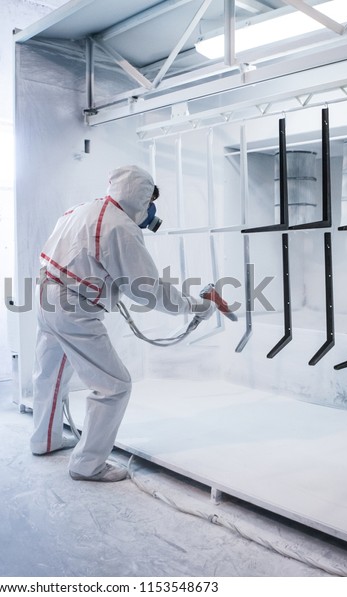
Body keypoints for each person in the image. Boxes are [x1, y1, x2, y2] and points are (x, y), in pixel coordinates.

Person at [29, 165, 216, 482]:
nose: (151, 209)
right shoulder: (121, 228)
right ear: (140, 197)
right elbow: (149, 291)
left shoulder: (83, 208)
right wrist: (197, 305)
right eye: (150, 199)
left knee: (50, 375)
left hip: (45, 294)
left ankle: (44, 442)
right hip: (73, 306)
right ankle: (87, 464)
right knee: (114, 386)